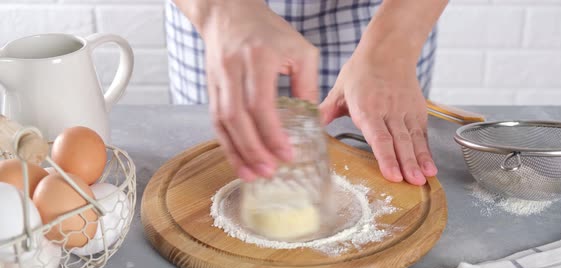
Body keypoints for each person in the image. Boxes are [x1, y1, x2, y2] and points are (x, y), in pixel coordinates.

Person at [166, 0, 447, 186]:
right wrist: (219, 12)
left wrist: (392, 48)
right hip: (217, 19)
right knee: (220, 153)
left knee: (385, 144)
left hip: (390, 14)